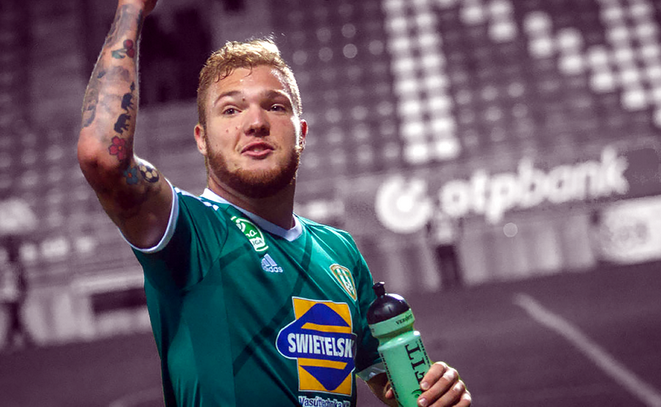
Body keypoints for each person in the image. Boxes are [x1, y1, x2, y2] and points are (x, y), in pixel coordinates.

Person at [77, 1, 471, 406]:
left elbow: (388, 380)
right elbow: (103, 157)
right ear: (202, 139)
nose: (256, 122)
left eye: (275, 106)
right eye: (231, 109)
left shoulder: (340, 250)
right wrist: (131, 9)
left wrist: (432, 393)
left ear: (301, 132)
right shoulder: (190, 232)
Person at [0, 236, 33, 351]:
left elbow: (23, 282)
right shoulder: (6, 268)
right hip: (6, 295)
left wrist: (23, 293)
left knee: (14, 317)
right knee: (14, 317)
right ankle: (25, 339)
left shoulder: (16, 267)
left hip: (14, 295)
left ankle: (12, 340)